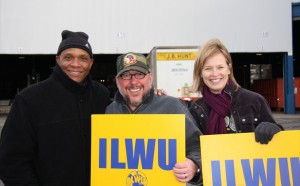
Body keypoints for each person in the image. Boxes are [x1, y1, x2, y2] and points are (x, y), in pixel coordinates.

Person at [0, 30, 111, 185]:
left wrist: (153, 97)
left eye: (83, 58)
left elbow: (126, 120)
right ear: (58, 60)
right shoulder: (29, 99)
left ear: (91, 63)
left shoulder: (101, 95)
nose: (75, 64)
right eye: (68, 57)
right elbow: (11, 162)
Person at [105, 52, 203, 185]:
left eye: (140, 74)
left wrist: (193, 164)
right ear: (117, 81)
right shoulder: (110, 111)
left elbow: (198, 147)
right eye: (126, 75)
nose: (133, 82)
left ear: (150, 78)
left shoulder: (172, 107)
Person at [189, 38, 283, 144]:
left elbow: (278, 143)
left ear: (229, 69)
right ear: (200, 72)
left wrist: (274, 129)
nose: (215, 73)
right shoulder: (196, 110)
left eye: (220, 67)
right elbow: (193, 148)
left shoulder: (254, 100)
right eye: (208, 68)